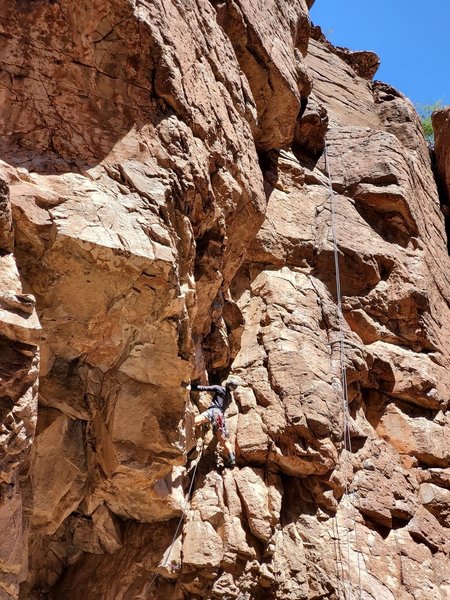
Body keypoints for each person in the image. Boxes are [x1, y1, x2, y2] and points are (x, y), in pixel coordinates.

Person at [192, 379, 238, 467]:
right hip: (220, 416)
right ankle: (232, 458)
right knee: (222, 439)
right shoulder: (229, 398)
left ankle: (186, 426)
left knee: (197, 420)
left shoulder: (219, 388)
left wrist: (191, 387)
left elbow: (204, 388)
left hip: (213, 411)